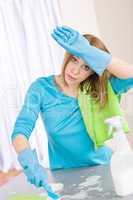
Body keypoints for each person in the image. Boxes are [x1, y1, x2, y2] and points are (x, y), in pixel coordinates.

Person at [11, 26, 133, 190]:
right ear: (67, 55)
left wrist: (88, 52)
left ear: (92, 71)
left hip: (104, 168)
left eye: (86, 67)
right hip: (64, 175)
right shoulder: (41, 88)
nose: (75, 71)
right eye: (74, 59)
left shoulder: (101, 90)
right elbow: (21, 129)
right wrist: (27, 160)